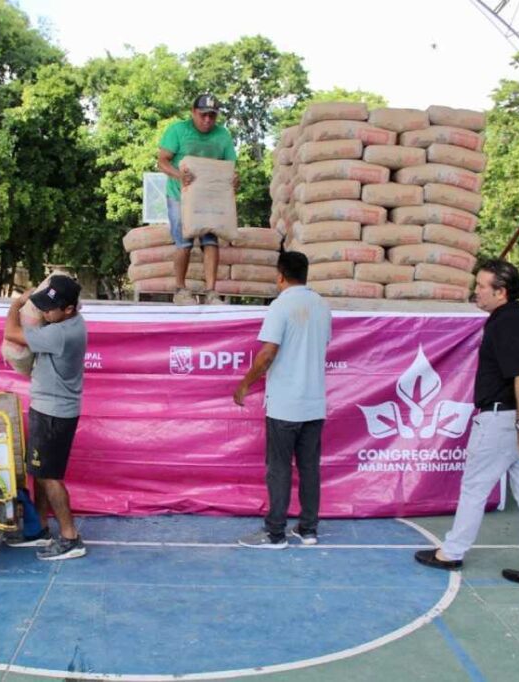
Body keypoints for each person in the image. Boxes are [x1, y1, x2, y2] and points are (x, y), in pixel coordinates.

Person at [415, 259, 519, 590]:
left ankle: (451, 552)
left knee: (475, 487)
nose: (475, 291)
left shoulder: (506, 323)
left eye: (481, 286)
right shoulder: (516, 319)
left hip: (505, 420)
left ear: (501, 291)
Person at [233, 251, 332, 548]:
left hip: (286, 405)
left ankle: (275, 532)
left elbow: (267, 353)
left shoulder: (281, 306)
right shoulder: (322, 306)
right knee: (309, 468)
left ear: (280, 275)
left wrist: (244, 385)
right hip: (314, 404)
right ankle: (308, 529)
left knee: (278, 468)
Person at [3, 274, 88, 561]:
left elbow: (11, 335)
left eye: (49, 309)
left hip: (55, 414)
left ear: (68, 309)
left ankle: (70, 537)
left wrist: (15, 307)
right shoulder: (63, 321)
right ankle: (39, 528)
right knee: (39, 471)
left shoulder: (62, 333)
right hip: (47, 408)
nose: (44, 312)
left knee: (50, 477)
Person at [157, 93, 238, 305]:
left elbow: (230, 167)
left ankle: (211, 292)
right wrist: (179, 176)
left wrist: (234, 180)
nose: (207, 120)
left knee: (211, 240)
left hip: (210, 198)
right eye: (203, 115)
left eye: (212, 115)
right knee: (184, 241)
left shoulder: (223, 135)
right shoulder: (178, 130)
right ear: (193, 112)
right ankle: (180, 290)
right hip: (180, 195)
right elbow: (162, 162)